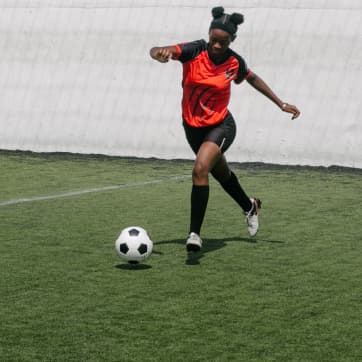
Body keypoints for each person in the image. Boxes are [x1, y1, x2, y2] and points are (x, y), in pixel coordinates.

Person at [149, 6, 300, 252]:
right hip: (193, 127)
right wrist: (158, 53)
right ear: (208, 35)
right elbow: (158, 49)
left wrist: (281, 103)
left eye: (224, 42)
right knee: (220, 173)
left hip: (221, 125)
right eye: (214, 40)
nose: (217, 46)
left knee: (200, 170)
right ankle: (250, 206)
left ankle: (194, 234)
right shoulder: (194, 50)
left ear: (232, 40)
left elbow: (251, 78)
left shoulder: (234, 61)